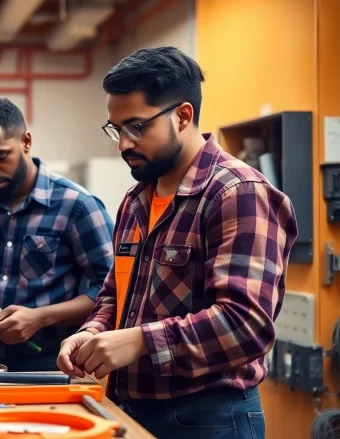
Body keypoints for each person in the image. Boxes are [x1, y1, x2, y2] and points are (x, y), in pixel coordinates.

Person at [56, 47, 298, 438]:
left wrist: (140, 341)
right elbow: (115, 297)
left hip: (209, 419)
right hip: (131, 409)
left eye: (136, 127)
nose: (123, 144)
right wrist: (92, 333)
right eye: (116, 130)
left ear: (183, 115)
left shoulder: (237, 193)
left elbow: (246, 324)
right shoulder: (136, 200)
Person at [0, 98, 115, 372]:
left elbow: (112, 290)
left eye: (1, 157)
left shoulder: (77, 206)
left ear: (26, 142)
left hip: (53, 364)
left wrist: (41, 318)